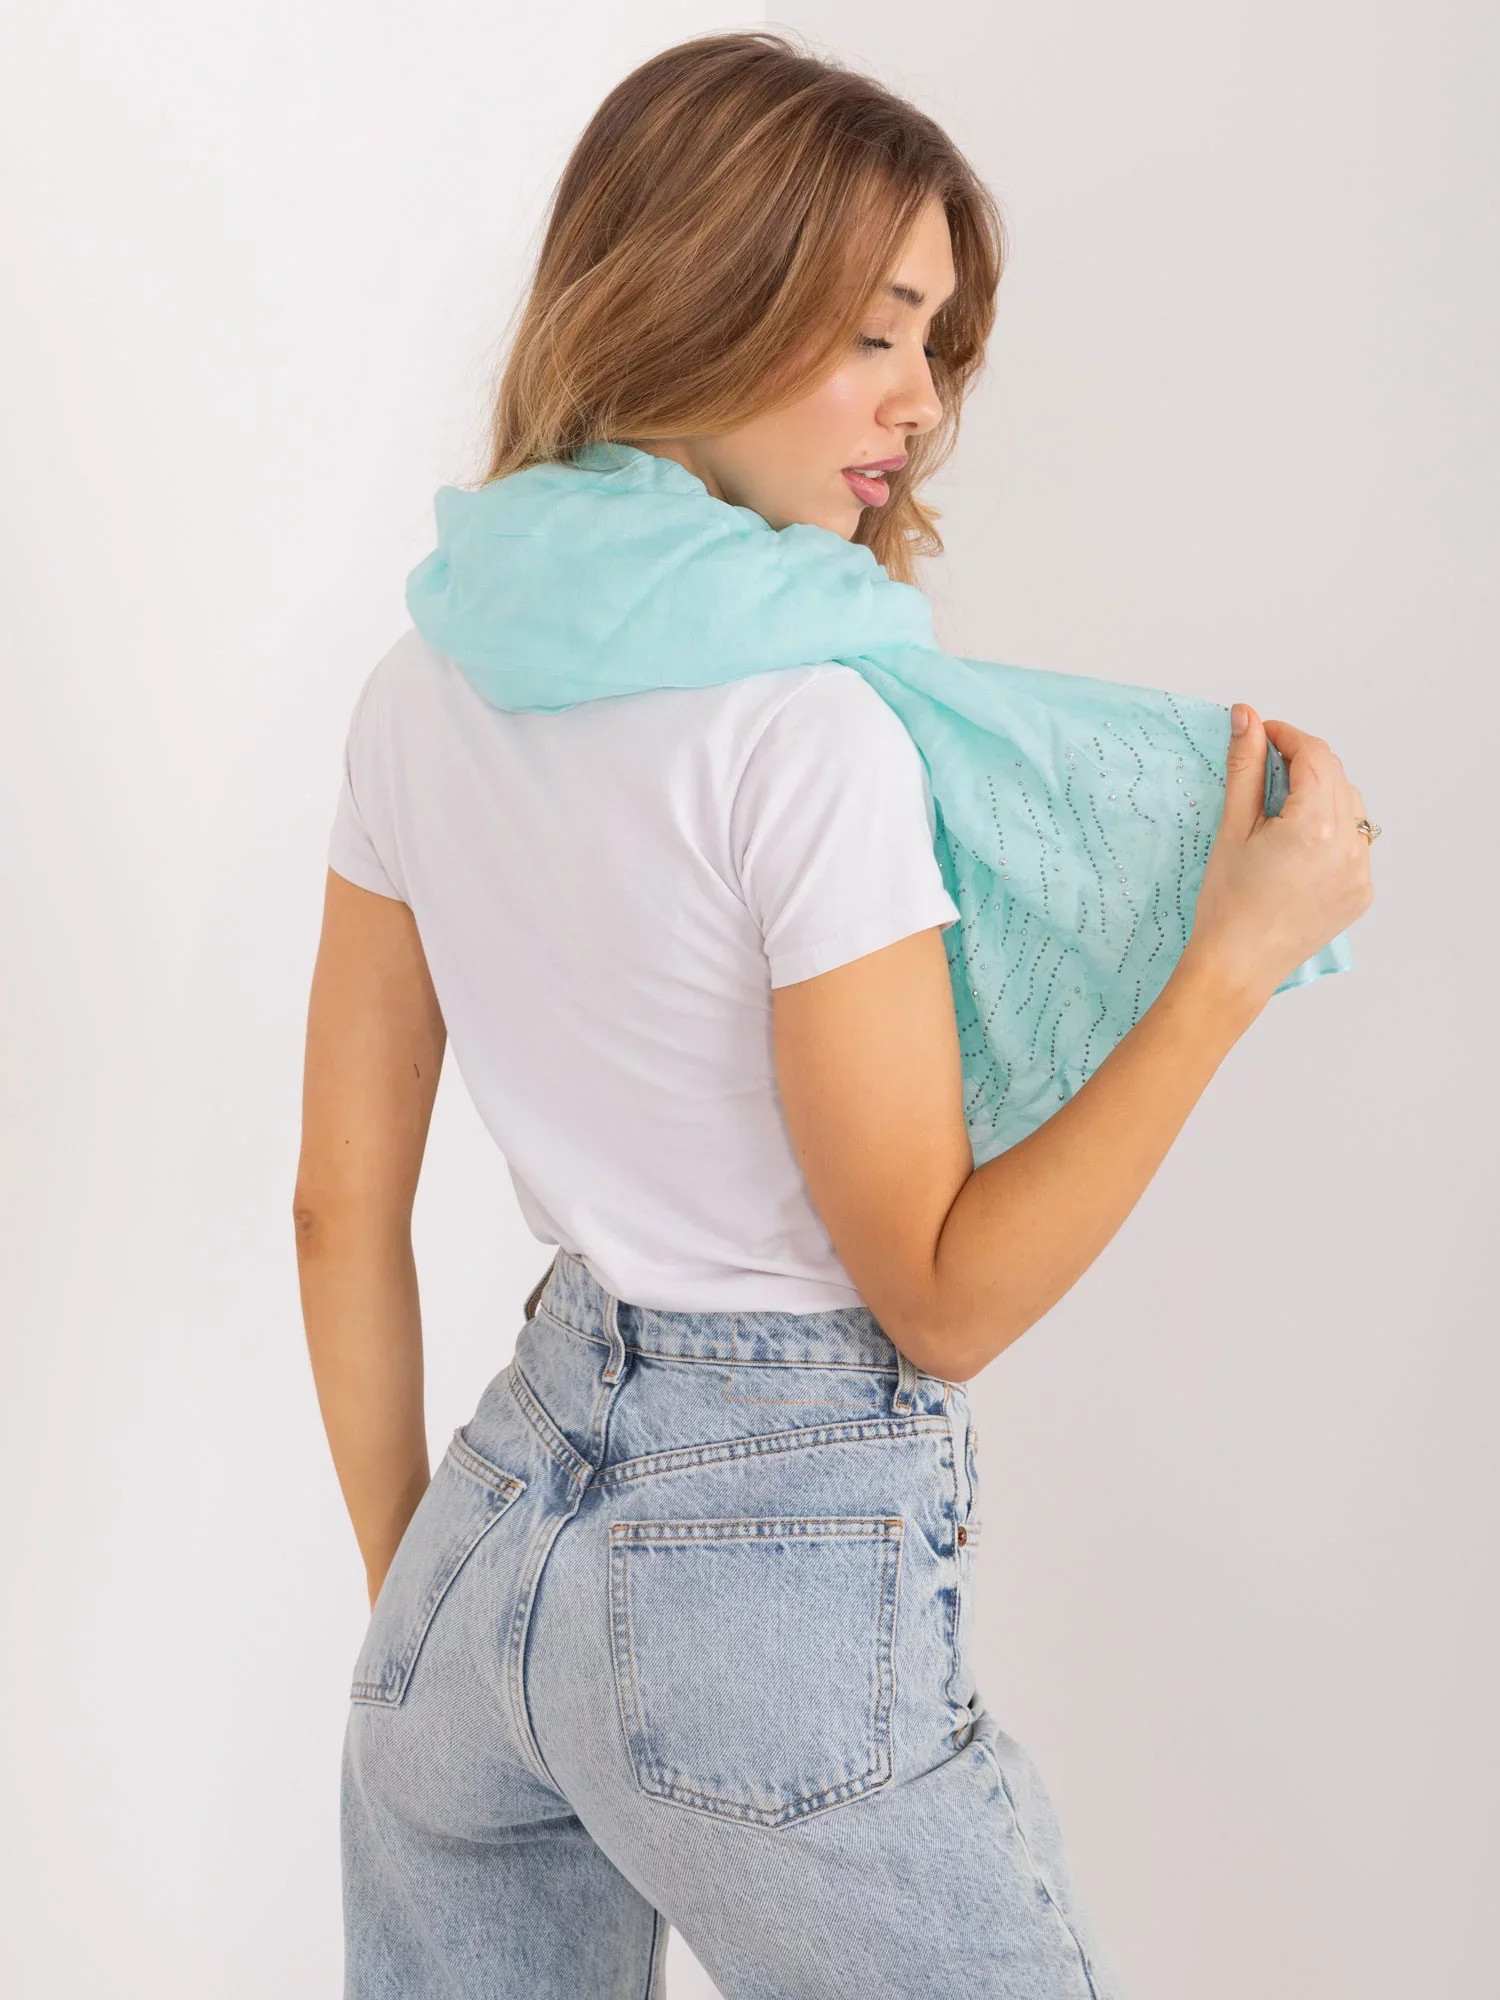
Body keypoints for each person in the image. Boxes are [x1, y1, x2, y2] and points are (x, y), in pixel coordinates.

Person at [293, 31, 1375, 2000]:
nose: (920, 403)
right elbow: (940, 1292)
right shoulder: (809, 734)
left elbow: (334, 1211)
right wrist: (1228, 963)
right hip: (764, 1539)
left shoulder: (419, 682)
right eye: (874, 332)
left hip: (482, 1542)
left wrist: (416, 1625)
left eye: (935, 344)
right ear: (697, 288)